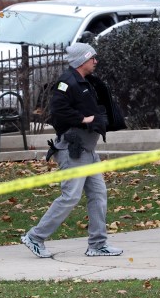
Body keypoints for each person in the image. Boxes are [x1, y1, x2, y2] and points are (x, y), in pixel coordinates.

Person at [21, 41, 125, 257]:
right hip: (73, 150)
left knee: (98, 194)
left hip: (88, 150)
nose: (95, 61)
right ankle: (35, 237)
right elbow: (57, 111)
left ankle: (97, 245)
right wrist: (83, 119)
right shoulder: (67, 83)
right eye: (92, 58)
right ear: (82, 60)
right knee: (70, 197)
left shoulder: (85, 81)